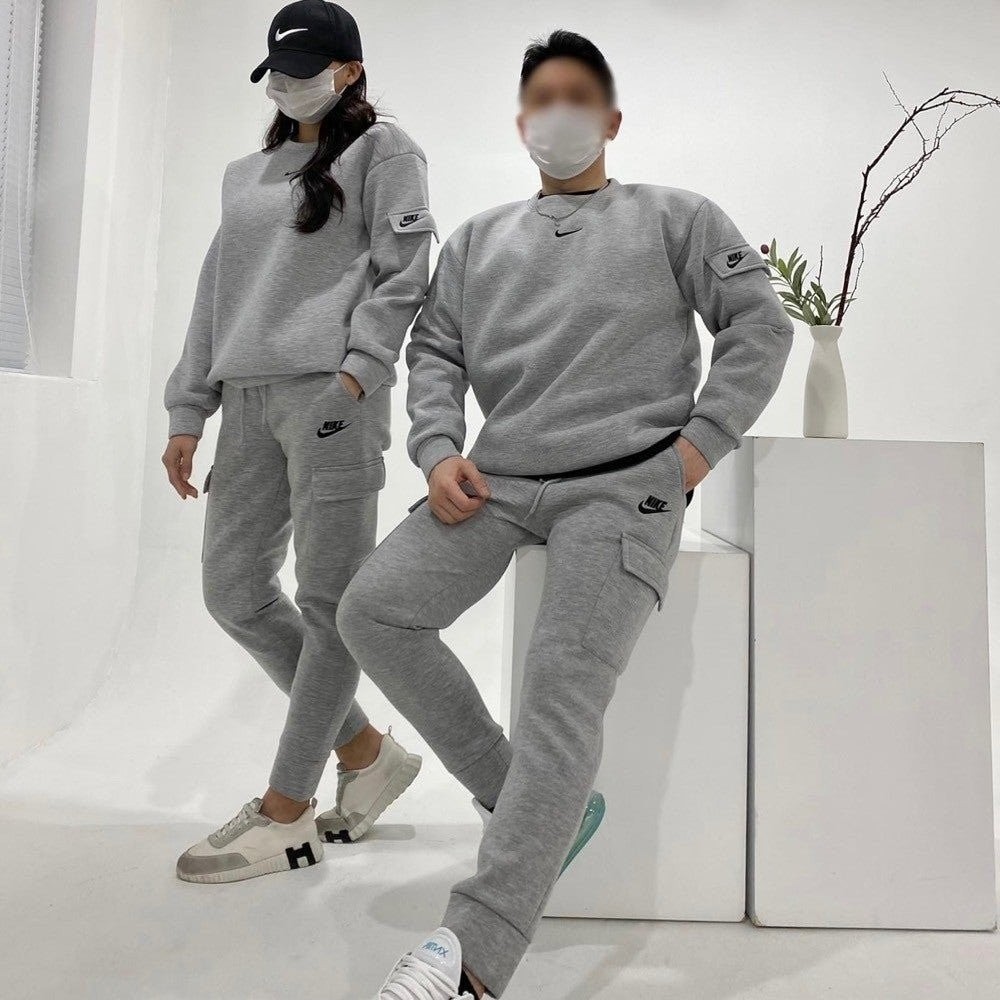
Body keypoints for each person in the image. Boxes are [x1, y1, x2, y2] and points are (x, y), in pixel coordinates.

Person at [336, 28, 795, 1000]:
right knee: (372, 610)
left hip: (623, 486)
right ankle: (527, 801)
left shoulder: (675, 217)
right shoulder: (478, 240)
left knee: (558, 685)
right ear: (520, 123)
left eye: (577, 97)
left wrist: (697, 447)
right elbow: (436, 352)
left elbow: (760, 322)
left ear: (612, 119)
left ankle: (471, 956)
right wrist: (438, 450)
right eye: (541, 99)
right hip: (497, 481)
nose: (559, 114)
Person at [161, 0, 437, 884]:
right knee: (234, 591)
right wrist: (188, 410)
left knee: (328, 606)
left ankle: (286, 810)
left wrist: (355, 376)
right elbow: (215, 294)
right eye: (277, 70)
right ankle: (367, 754)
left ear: (348, 71)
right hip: (246, 403)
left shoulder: (383, 152)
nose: (287, 84)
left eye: (306, 68)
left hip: (332, 399)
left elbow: (404, 274)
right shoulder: (246, 174)